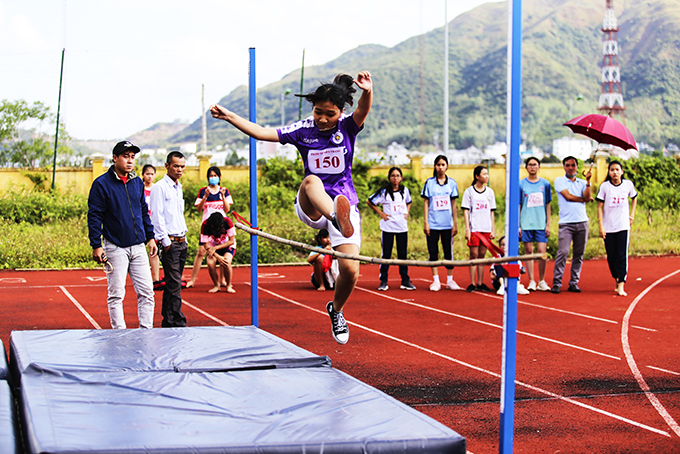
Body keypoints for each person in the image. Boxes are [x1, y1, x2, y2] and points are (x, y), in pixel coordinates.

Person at [210, 71, 373, 345]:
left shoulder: (347, 127)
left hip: (345, 201)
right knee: (311, 180)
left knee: (350, 270)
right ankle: (335, 217)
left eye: (329, 114)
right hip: (312, 207)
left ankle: (337, 310)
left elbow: (363, 109)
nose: (322, 119)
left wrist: (368, 91)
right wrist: (230, 117)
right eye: (318, 112)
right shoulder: (303, 130)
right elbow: (261, 132)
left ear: (340, 111)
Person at [87, 141, 157, 329]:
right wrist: (96, 244)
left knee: (147, 293)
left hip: (138, 245)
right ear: (115, 158)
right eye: (125, 156)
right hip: (115, 246)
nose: (130, 161)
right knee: (116, 295)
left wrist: (150, 237)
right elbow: (94, 216)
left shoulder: (137, 182)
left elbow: (143, 210)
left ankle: (146, 332)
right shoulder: (101, 184)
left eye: (132, 157)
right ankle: (119, 334)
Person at [149, 151, 189, 327]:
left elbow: (177, 215)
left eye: (182, 166)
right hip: (170, 243)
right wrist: (165, 242)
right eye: (176, 166)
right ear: (167, 166)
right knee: (174, 284)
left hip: (181, 241)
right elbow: (156, 216)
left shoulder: (178, 187)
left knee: (173, 284)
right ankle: (177, 321)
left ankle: (168, 320)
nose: (179, 170)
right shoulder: (160, 187)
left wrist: (184, 238)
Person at [367, 167, 416, 291]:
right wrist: (381, 213)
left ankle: (405, 280)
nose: (395, 178)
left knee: (402, 255)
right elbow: (370, 201)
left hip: (402, 227)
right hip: (388, 227)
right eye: (393, 175)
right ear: (389, 177)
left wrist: (406, 212)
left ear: (401, 178)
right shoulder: (384, 192)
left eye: (398, 175)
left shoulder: (405, 191)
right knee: (386, 255)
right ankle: (383, 281)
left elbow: (409, 202)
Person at [186, 166, 233, 288]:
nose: (213, 178)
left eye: (215, 175)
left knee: (221, 251)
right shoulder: (203, 191)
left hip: (221, 226)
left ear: (220, 177)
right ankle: (192, 280)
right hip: (207, 227)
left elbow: (227, 210)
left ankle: (222, 280)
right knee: (201, 252)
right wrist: (205, 197)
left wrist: (222, 197)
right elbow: (198, 208)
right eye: (211, 176)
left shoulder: (224, 190)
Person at [551, 156, 592, 294]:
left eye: (573, 165)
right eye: (568, 165)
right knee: (563, 252)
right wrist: (584, 200)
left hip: (582, 222)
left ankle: (574, 282)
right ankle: (557, 282)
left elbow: (588, 195)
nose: (570, 168)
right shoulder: (559, 181)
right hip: (566, 223)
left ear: (577, 167)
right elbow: (568, 196)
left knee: (578, 254)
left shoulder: (582, 182)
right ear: (564, 167)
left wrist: (588, 181)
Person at [596, 160, 638, 296]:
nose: (615, 172)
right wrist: (601, 225)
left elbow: (634, 197)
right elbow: (600, 207)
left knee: (621, 255)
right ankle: (616, 277)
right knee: (611, 257)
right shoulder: (604, 187)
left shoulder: (628, 185)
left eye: (617, 170)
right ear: (609, 172)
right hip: (609, 226)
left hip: (623, 226)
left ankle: (621, 284)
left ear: (622, 172)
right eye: (612, 170)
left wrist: (631, 215)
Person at [421, 155, 461, 291]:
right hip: (433, 223)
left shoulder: (452, 184)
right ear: (435, 166)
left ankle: (450, 280)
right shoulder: (429, 183)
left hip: (447, 224)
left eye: (443, 165)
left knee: (448, 252)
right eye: (438, 165)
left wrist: (455, 223)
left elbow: (453, 204)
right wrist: (426, 222)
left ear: (447, 166)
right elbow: (426, 203)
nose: (440, 167)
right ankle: (436, 280)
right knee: (433, 252)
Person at [519, 157, 552, 291]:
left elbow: (548, 204)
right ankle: (532, 280)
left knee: (541, 252)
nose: (532, 167)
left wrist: (548, 223)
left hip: (540, 223)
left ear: (539, 167)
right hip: (526, 223)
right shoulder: (521, 184)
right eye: (530, 165)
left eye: (535, 164)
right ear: (526, 167)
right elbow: (519, 205)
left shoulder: (545, 184)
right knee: (529, 251)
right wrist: (519, 225)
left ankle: (542, 280)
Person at [462, 165, 496, 292]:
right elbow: (466, 211)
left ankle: (480, 282)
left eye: (487, 174)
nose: (487, 176)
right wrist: (467, 229)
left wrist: (492, 229)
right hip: (474, 228)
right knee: (474, 254)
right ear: (477, 176)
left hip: (486, 227)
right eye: (484, 174)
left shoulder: (490, 192)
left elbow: (492, 211)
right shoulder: (469, 192)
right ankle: (472, 283)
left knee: (482, 255)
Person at [202, 212, 237, 294]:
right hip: (212, 247)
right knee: (210, 263)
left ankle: (228, 285)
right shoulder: (205, 224)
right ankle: (216, 285)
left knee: (226, 262)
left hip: (226, 245)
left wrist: (216, 248)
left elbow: (231, 241)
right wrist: (217, 256)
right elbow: (205, 244)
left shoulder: (227, 221)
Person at [142, 164, 162, 287]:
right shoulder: (139, 189)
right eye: (147, 174)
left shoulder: (157, 189)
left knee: (153, 250)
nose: (149, 176)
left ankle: (155, 278)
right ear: (143, 175)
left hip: (153, 224)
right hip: (141, 223)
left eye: (152, 174)